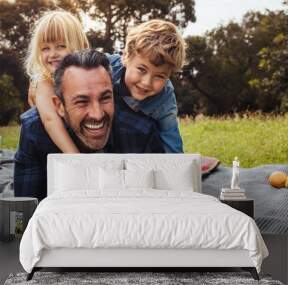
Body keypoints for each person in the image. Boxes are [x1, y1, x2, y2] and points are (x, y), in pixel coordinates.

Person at [14, 50, 164, 200]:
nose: (97, 114)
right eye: (82, 101)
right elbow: (25, 211)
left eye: (105, 98)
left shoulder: (141, 133)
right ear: (59, 106)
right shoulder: (35, 131)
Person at [31, 19, 186, 154]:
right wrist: (40, 84)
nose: (146, 82)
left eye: (159, 76)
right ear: (126, 57)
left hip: (137, 140)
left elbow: (171, 140)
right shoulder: (105, 66)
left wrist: (176, 171)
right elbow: (74, 71)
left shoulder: (165, 100)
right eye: (141, 70)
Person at [25, 10, 89, 153]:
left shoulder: (89, 73)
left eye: (61, 46)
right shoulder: (45, 81)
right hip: (52, 147)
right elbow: (50, 120)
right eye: (45, 48)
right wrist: (76, 158)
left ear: (79, 45)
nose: (53, 54)